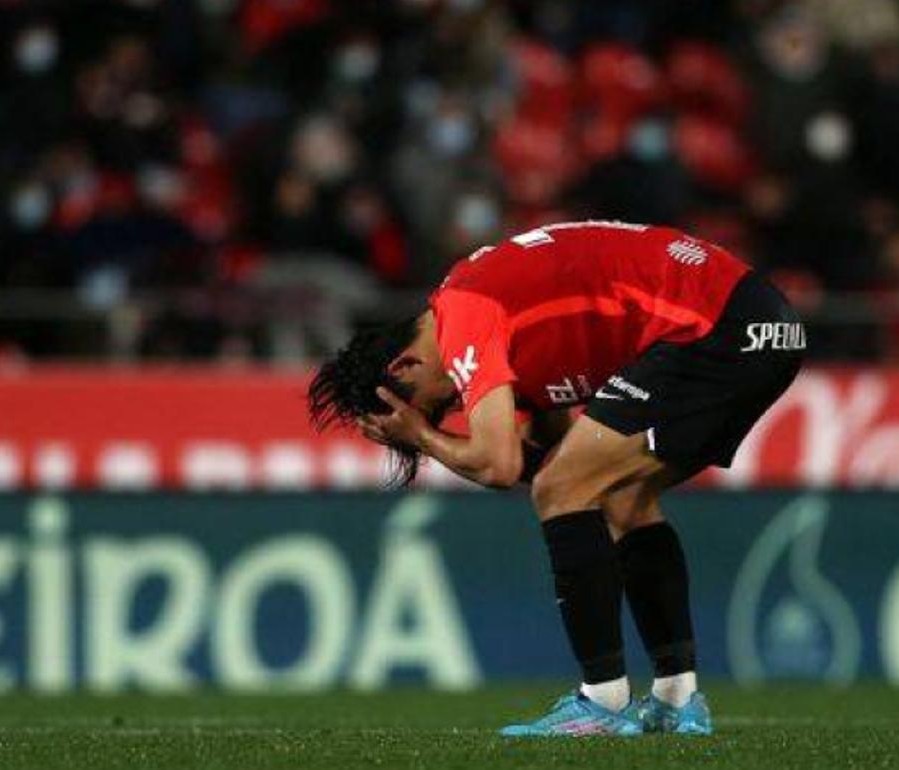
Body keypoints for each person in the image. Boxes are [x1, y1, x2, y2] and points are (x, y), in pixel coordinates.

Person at [308, 220, 804, 737]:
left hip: (714, 328)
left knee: (564, 489)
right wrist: (436, 437)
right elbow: (549, 461)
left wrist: (424, 438)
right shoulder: (498, 323)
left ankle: (602, 702)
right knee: (621, 497)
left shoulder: (462, 312)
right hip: (755, 322)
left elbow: (500, 466)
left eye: (433, 407)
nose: (450, 407)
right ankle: (677, 701)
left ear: (404, 366)